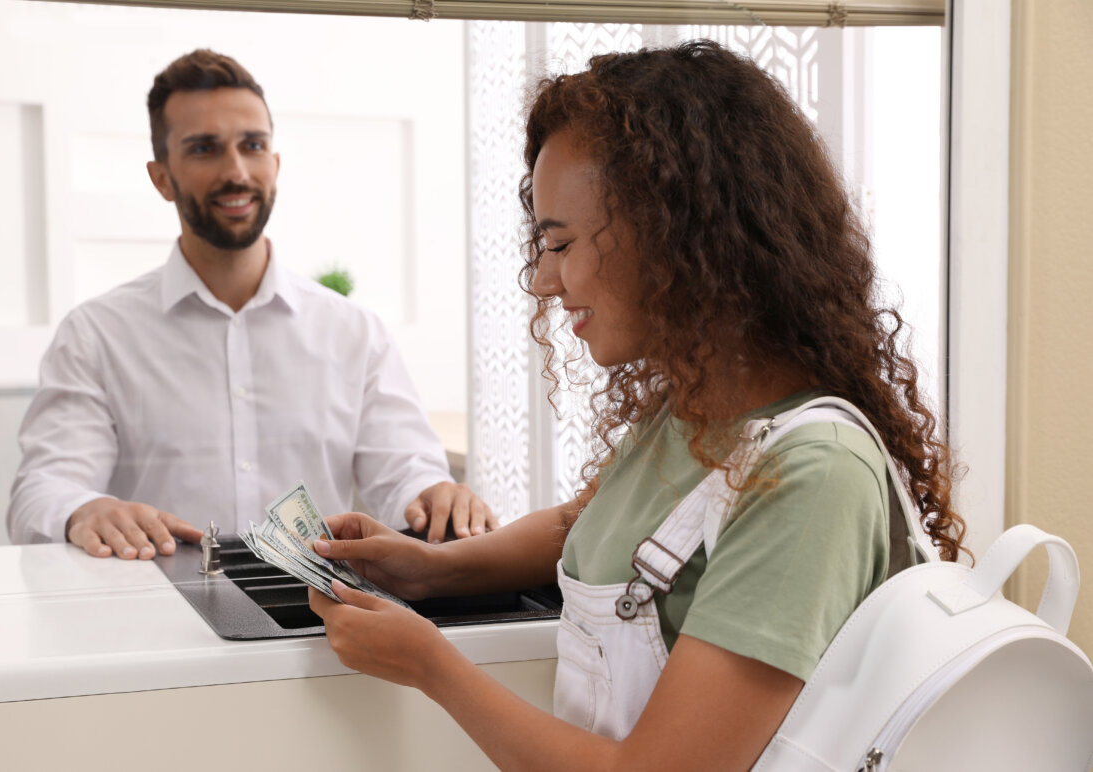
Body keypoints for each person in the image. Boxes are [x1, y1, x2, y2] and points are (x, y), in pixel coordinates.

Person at [306, 40, 966, 770]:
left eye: (560, 244)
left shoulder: (812, 478)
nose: (544, 283)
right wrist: (429, 569)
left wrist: (432, 665)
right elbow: (580, 525)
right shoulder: (692, 408)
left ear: (673, 233)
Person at [7, 49, 494, 559]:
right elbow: (41, 493)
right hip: (156, 624)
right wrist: (84, 509)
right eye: (204, 149)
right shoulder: (96, 335)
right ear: (162, 178)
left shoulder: (354, 333)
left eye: (253, 145)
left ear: (275, 165)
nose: (235, 171)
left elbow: (405, 478)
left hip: (321, 625)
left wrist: (435, 499)